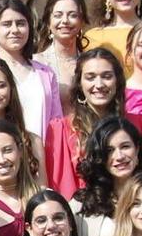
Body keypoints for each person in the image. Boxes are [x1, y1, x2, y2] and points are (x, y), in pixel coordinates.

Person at [46, 48, 130, 202]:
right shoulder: (61, 130)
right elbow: (60, 189)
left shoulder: (135, 124)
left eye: (107, 76)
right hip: (83, 215)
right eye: (90, 77)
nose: (99, 84)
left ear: (117, 80)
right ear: (80, 84)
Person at [0, 0, 62, 144]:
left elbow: (57, 126)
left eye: (20, 23)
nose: (15, 30)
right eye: (6, 24)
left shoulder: (46, 74)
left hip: (41, 159)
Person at [35, 0, 89, 111]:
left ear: (82, 22)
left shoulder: (89, 63)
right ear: (48, 23)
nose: (65, 21)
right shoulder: (36, 64)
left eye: (72, 15)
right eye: (58, 15)